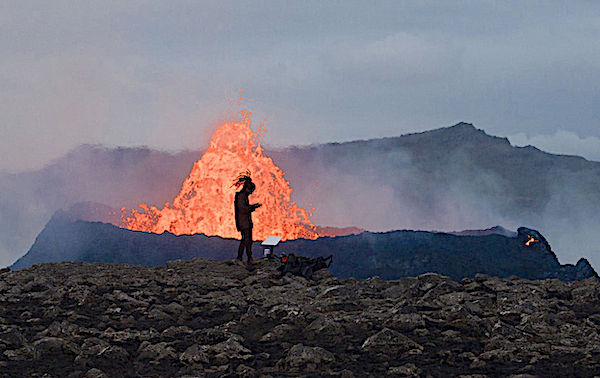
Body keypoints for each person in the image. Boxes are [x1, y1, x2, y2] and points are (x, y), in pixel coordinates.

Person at [232, 172, 262, 265]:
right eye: (250, 190)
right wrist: (253, 207)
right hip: (243, 222)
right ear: (247, 188)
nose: (251, 192)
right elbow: (243, 209)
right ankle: (240, 258)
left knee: (248, 240)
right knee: (246, 240)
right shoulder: (241, 197)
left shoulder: (243, 197)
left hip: (245, 222)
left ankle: (248, 258)